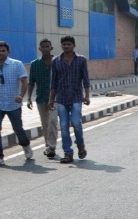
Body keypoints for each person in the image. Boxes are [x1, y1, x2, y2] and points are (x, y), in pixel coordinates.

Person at [48, 35, 90, 164]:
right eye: (64, 44)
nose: (66, 46)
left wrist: (87, 96)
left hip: (77, 97)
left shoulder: (81, 60)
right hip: (61, 98)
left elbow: (86, 79)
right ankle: (68, 153)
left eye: (69, 44)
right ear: (61, 46)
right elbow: (53, 82)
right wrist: (51, 99)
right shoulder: (56, 61)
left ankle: (80, 145)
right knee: (64, 125)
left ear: (73, 46)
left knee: (76, 123)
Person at [0, 41, 34, 164]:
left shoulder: (16, 64)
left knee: (18, 128)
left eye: (3, 51)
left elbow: (24, 82)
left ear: (8, 52)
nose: (1, 53)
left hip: (13, 103)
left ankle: (26, 146)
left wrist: (21, 95)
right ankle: (0, 156)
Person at [26, 39, 59, 159]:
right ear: (40, 49)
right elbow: (31, 82)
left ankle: (52, 146)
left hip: (55, 98)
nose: (45, 48)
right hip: (41, 97)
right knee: (45, 123)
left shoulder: (58, 62)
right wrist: (29, 98)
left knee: (52, 121)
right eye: (43, 47)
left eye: (47, 46)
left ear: (51, 48)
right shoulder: (34, 64)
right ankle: (48, 146)